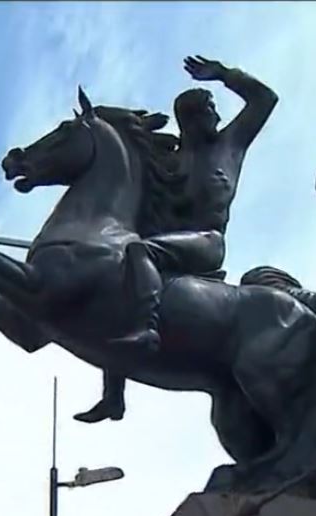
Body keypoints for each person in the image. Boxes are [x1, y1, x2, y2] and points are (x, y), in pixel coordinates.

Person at [76, 54, 278, 425]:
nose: (216, 118)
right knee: (115, 271)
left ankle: (148, 329)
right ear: (191, 118)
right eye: (209, 111)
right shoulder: (167, 160)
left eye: (215, 110)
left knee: (140, 250)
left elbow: (265, 100)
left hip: (206, 243)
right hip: (168, 245)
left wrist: (224, 75)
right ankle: (113, 396)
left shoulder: (229, 145)